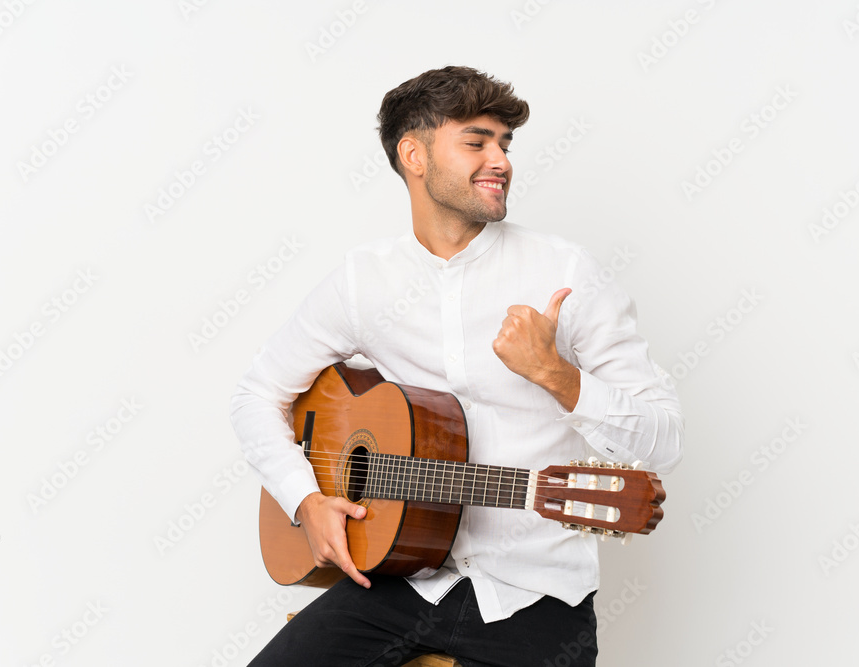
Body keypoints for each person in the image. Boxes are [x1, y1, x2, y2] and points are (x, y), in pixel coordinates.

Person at [230, 65, 684, 667]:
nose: (500, 159)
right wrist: (305, 499)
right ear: (413, 155)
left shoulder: (567, 273)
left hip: (536, 596)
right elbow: (256, 396)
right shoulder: (364, 282)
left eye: (505, 143)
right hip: (397, 578)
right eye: (476, 142)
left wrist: (556, 375)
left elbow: (664, 441)